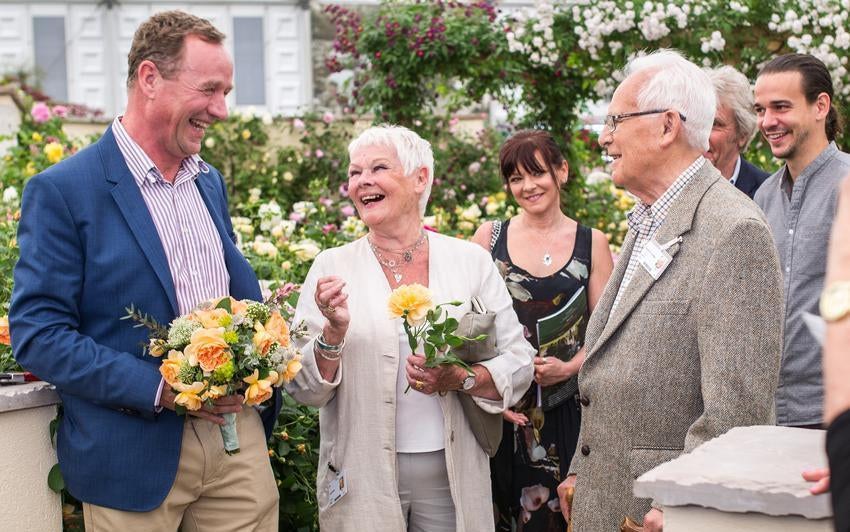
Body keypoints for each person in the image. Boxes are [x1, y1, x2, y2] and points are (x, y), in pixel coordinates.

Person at [10, 11, 280, 530]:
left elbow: (234, 296)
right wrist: (162, 388)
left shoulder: (208, 182)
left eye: (227, 92)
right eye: (209, 89)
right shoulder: (64, 190)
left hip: (237, 445)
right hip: (132, 452)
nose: (222, 110)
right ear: (149, 78)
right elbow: (39, 334)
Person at [556, 49, 783, 532]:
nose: (604, 137)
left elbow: (739, 410)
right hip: (608, 497)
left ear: (666, 126)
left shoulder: (733, 230)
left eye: (616, 120)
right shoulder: (649, 219)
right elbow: (610, 368)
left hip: (659, 515)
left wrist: (684, 503)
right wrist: (582, 466)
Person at [285, 125, 535, 531]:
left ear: (420, 178)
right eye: (354, 173)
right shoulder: (332, 267)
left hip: (451, 475)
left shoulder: (469, 261)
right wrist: (332, 334)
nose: (362, 181)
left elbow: (520, 362)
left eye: (378, 168)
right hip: (361, 473)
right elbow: (302, 386)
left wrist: (461, 378)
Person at [471, 130, 613, 531]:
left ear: (561, 171)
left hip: (569, 411)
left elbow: (608, 335)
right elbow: (469, 327)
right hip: (506, 412)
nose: (527, 186)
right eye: (516, 178)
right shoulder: (489, 238)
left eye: (536, 173)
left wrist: (569, 369)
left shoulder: (592, 243)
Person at [754, 53, 850, 429]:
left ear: (820, 106)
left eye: (781, 107)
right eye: (761, 109)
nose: (767, 121)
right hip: (773, 414)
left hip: (837, 412)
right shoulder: (762, 197)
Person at [703, 65, 770, 198]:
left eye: (715, 124)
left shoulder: (767, 193)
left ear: (742, 135)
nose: (701, 134)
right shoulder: (667, 185)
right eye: (698, 121)